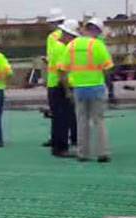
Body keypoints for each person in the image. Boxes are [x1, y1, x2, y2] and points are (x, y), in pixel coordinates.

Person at [59, 18, 114, 162]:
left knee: (82, 121)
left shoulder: (71, 45)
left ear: (84, 29)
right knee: (99, 121)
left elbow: (62, 70)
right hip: (96, 87)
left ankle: (83, 153)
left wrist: (68, 90)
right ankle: (102, 152)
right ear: (96, 31)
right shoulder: (97, 45)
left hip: (79, 89)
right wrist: (108, 86)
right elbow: (108, 67)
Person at [47, 19, 80, 158]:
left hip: (53, 84)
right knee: (63, 118)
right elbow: (63, 71)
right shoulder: (63, 48)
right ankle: (61, 148)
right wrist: (68, 90)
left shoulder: (55, 46)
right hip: (60, 85)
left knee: (58, 118)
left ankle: (57, 146)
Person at [42, 8, 66, 147]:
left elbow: (51, 58)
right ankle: (73, 137)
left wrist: (46, 60)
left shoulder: (52, 37)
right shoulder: (71, 36)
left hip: (54, 80)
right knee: (68, 111)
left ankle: (57, 140)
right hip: (69, 79)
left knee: (56, 113)